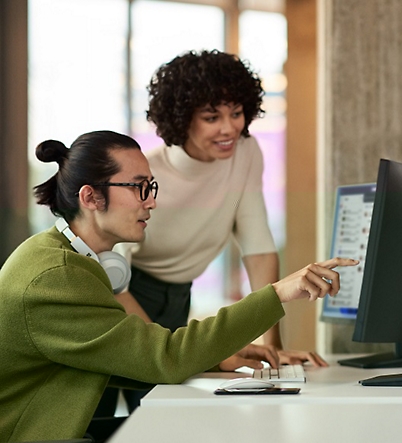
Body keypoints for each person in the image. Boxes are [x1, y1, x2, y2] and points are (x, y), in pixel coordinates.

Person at [0, 130, 356, 442]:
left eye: (150, 187)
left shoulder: (67, 259)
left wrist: (217, 357)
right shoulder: (56, 278)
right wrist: (277, 293)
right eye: (139, 188)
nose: (152, 201)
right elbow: (165, 359)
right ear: (91, 198)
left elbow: (135, 360)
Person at [114, 50, 323, 370]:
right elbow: (114, 281)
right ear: (183, 118)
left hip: (180, 296)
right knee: (121, 403)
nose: (229, 129)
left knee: (170, 406)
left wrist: (273, 347)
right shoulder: (147, 172)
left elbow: (259, 248)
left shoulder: (246, 151)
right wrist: (174, 354)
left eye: (236, 113)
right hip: (122, 293)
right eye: (212, 118)